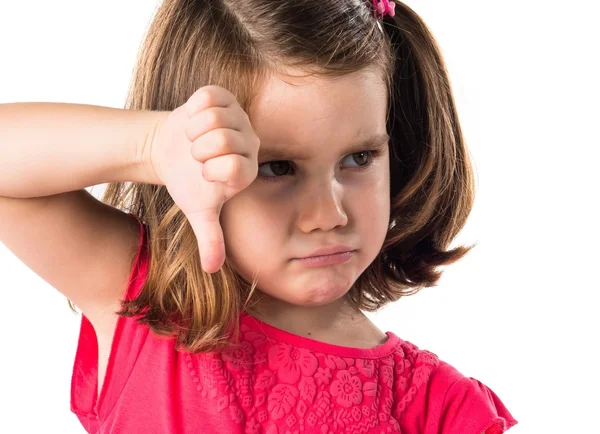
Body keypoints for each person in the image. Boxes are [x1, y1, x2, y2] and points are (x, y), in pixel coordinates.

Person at [0, 0, 519, 432]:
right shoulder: (135, 296)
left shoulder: (440, 409)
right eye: (277, 167)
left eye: (358, 158)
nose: (328, 214)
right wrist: (153, 143)